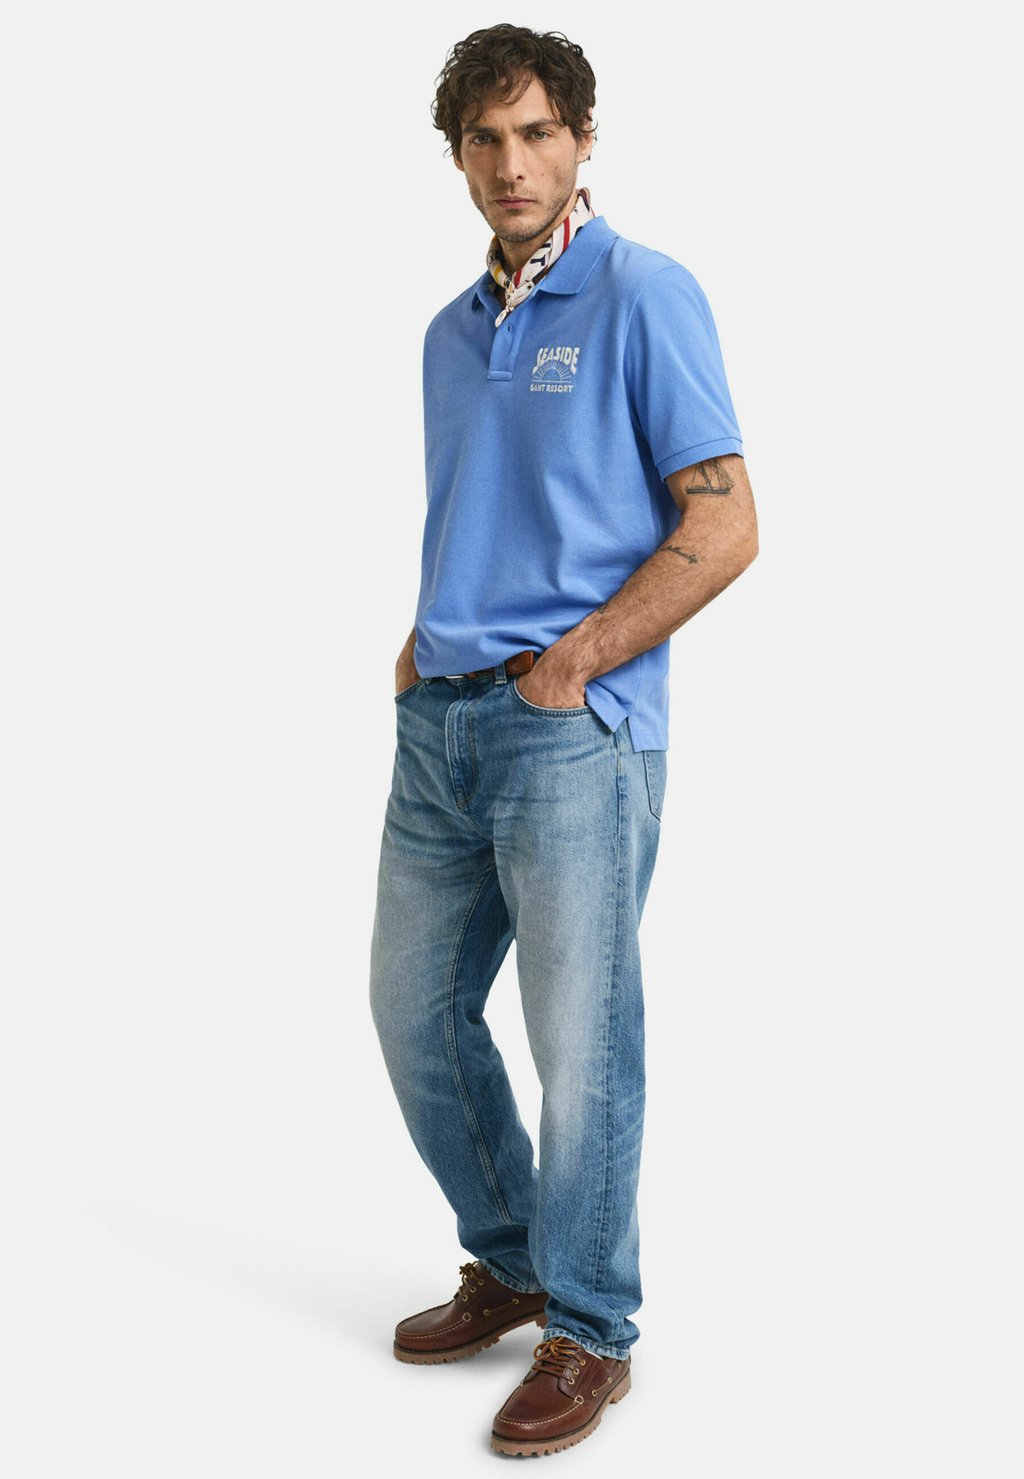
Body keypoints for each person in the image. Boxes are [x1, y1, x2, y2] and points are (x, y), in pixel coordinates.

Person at [369, 23, 758, 1458]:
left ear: (582, 141)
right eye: (485, 140)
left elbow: (726, 522)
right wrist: (423, 642)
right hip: (442, 724)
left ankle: (592, 1329)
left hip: (573, 732)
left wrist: (580, 663)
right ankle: (516, 1257)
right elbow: (488, 510)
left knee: (583, 1047)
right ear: (459, 158)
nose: (512, 163)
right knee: (413, 1012)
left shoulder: (646, 294)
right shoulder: (449, 333)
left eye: (537, 132)